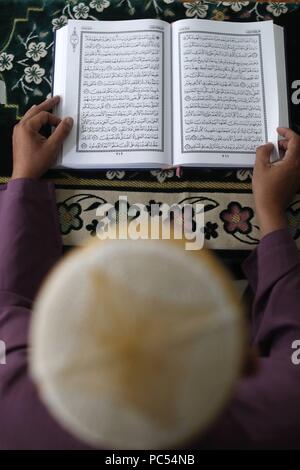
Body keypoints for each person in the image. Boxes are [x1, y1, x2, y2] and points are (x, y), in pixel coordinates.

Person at [0, 96, 300, 449]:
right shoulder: (284, 414)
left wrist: (23, 177)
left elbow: (8, 298)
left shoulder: (10, 408)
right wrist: (270, 212)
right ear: (246, 362)